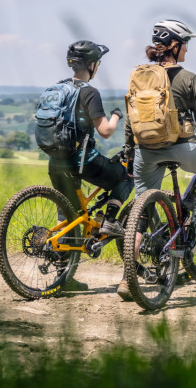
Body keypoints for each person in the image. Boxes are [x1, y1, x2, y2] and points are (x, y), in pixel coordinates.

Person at [120, 19, 196, 299]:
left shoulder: (139, 76)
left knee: (142, 213)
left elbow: (131, 118)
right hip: (181, 148)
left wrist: (130, 151)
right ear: (174, 45)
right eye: (186, 44)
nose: (188, 50)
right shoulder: (187, 77)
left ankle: (126, 279)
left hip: (144, 151)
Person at [48, 40, 133, 253]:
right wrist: (116, 115)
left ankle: (62, 265)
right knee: (125, 177)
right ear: (91, 65)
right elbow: (105, 130)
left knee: (68, 213)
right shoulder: (89, 92)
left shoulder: (57, 88)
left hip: (56, 161)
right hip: (82, 160)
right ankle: (110, 221)